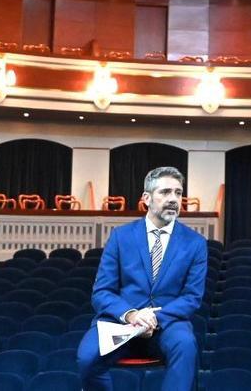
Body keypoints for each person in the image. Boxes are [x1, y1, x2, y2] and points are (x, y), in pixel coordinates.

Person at [76, 166, 207, 391]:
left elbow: (192, 297)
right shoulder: (120, 236)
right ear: (146, 198)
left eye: (178, 193)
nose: (174, 199)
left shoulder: (195, 243)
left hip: (167, 324)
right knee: (87, 358)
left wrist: (155, 319)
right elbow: (102, 292)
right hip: (120, 323)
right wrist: (132, 315)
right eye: (165, 192)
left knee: (186, 347)